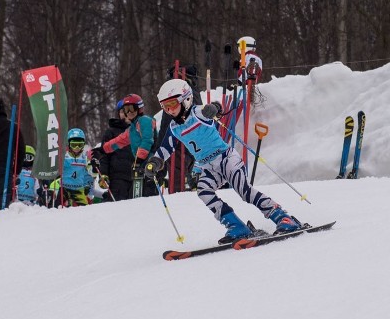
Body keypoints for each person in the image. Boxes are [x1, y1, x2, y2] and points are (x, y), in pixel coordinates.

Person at [148, 78, 303, 243]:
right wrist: (155, 161)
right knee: (204, 192)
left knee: (244, 192)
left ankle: (284, 218)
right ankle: (236, 226)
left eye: (172, 104)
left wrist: (214, 108)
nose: (169, 110)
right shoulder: (174, 127)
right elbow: (166, 147)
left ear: (185, 99)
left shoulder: (198, 113)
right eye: (165, 106)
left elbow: (216, 108)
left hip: (226, 159)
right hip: (209, 167)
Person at [94, 94, 156, 196]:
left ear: (139, 109)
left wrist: (139, 159)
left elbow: (147, 140)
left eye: (132, 109)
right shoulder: (131, 129)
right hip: (134, 169)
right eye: (126, 110)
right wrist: (103, 149)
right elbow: (118, 141)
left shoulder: (145, 121)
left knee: (145, 195)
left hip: (148, 163)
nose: (129, 113)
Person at [95, 99, 135, 201]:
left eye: (128, 111)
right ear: (118, 114)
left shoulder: (140, 130)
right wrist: (104, 174)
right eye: (122, 112)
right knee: (117, 207)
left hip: (137, 177)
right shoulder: (111, 132)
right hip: (117, 178)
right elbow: (104, 156)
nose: (125, 114)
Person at [60, 128, 95, 207]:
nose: (77, 148)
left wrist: (94, 167)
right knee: (57, 206)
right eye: (73, 145)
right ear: (68, 144)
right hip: (64, 188)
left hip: (78, 190)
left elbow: (91, 173)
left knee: (84, 209)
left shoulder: (85, 157)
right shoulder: (63, 156)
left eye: (80, 145)